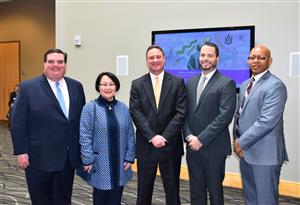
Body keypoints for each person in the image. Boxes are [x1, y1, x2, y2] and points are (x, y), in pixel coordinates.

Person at [10, 48, 86, 205]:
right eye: (51, 61)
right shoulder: (28, 87)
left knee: (63, 199)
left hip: (67, 157)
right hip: (38, 157)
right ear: (44, 64)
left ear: (65, 64)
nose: (55, 65)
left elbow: (80, 121)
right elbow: (17, 122)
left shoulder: (76, 86)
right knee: (41, 200)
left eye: (60, 62)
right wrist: (21, 151)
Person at [129, 45, 187, 205]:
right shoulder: (137, 84)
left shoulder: (178, 82)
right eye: (151, 58)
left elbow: (181, 113)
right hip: (146, 145)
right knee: (143, 191)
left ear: (164, 59)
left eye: (158, 57)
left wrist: (164, 137)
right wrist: (153, 136)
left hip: (170, 145)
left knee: (172, 190)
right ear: (147, 61)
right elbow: (135, 112)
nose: (155, 60)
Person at [233, 45, 288, 205]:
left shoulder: (275, 86)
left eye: (261, 58)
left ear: (269, 61)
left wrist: (240, 142)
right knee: (251, 199)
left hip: (265, 156)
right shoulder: (245, 84)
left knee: (266, 201)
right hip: (246, 153)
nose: (255, 61)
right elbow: (239, 115)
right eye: (252, 57)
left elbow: (267, 121)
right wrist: (236, 139)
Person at [183, 42, 236, 205]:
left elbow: (224, 116)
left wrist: (202, 139)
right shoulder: (191, 82)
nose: (205, 59)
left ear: (217, 58)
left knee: (215, 192)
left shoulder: (226, 83)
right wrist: (189, 136)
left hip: (214, 148)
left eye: (210, 55)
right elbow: (185, 113)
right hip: (193, 146)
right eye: (203, 55)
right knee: (195, 191)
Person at [79, 72, 135, 205]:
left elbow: (130, 134)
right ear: (98, 87)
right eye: (104, 84)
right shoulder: (90, 108)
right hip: (100, 162)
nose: (108, 87)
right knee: (101, 197)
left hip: (121, 161)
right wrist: (88, 159)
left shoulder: (123, 108)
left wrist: (130, 156)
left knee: (116, 197)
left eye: (111, 84)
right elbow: (84, 135)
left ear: (116, 87)